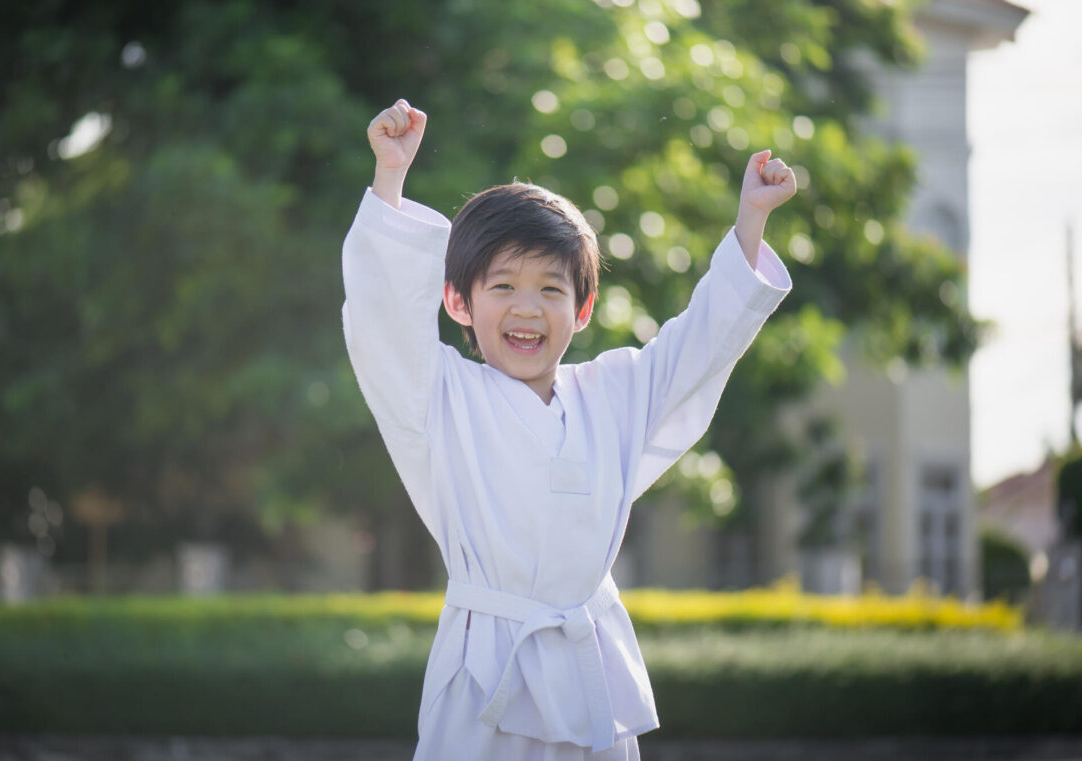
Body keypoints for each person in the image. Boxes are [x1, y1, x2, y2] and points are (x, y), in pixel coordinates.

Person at [341, 98, 796, 760]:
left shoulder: (614, 392)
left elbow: (700, 346)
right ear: (458, 301)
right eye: (503, 285)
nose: (528, 308)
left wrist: (750, 219)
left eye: (551, 289)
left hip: (590, 681)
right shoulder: (438, 397)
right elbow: (383, 320)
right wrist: (391, 177)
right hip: (482, 687)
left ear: (583, 308)